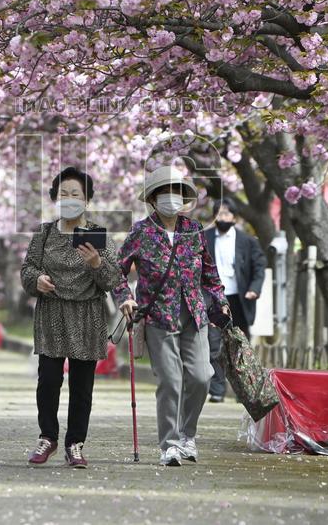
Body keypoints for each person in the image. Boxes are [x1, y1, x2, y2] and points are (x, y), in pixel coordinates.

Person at [113, 165, 229, 466]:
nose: (171, 198)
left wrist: (220, 300)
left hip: (194, 314)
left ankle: (188, 434)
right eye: (165, 192)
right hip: (158, 317)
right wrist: (125, 297)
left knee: (203, 376)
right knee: (171, 381)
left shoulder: (193, 230)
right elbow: (117, 271)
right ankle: (170, 444)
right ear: (153, 198)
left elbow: (210, 274)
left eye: (177, 192)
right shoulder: (141, 231)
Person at [20, 166, 121, 468]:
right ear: (54, 198)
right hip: (52, 312)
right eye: (63, 193)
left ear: (87, 199)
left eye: (75, 194)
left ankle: (75, 443)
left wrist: (96, 263)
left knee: (82, 386)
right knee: (48, 380)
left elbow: (112, 279)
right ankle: (47, 436)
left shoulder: (97, 236)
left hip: (87, 314)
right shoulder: (44, 232)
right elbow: (27, 269)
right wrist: (36, 280)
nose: (69, 198)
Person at [204, 198, 268, 403]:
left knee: (240, 345)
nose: (222, 217)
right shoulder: (203, 238)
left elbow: (259, 266)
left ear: (234, 217)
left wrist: (254, 289)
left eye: (226, 214)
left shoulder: (247, 241)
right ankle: (217, 390)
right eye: (219, 214)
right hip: (213, 298)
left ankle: (245, 391)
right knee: (213, 344)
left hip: (239, 298)